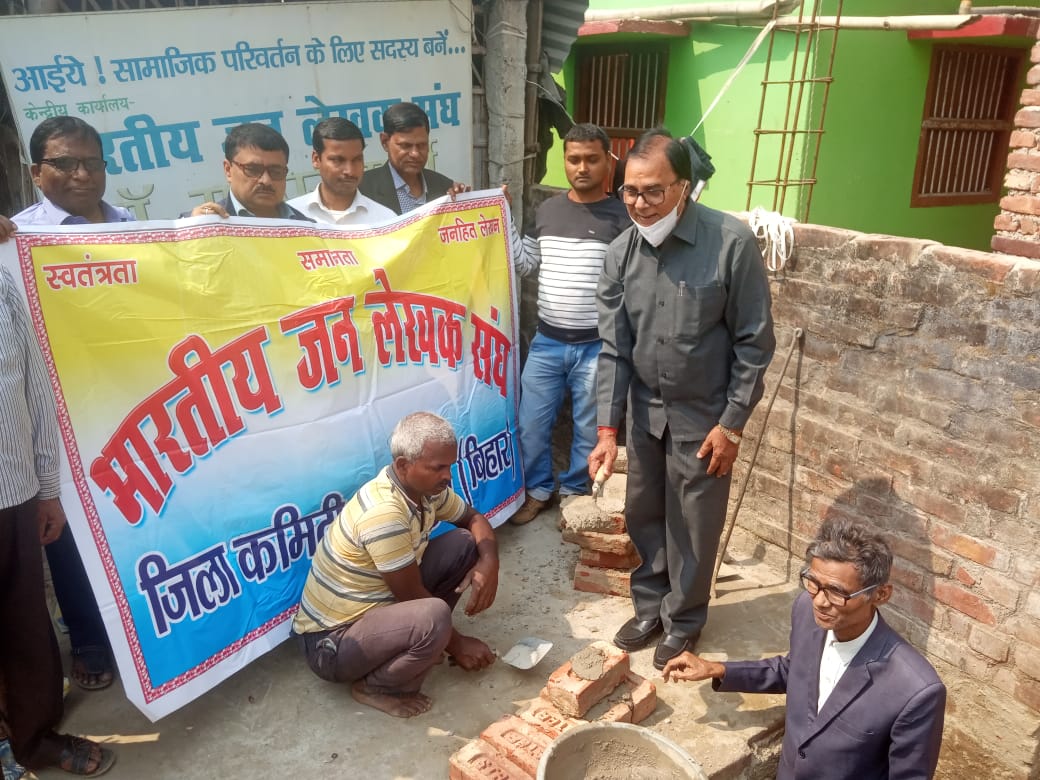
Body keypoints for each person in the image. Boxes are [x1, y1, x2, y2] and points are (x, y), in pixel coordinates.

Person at [588, 127, 775, 670]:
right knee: (643, 512)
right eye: (629, 192)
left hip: (704, 415)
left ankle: (685, 619)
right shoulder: (621, 253)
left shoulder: (729, 242)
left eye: (653, 191)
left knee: (694, 522)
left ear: (684, 187)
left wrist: (733, 423)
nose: (640, 204)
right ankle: (650, 606)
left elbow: (754, 341)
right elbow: (614, 349)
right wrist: (607, 431)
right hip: (646, 412)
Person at [663, 517, 947, 779]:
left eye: (837, 592)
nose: (820, 601)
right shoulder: (807, 612)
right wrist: (719, 669)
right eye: (813, 582)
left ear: (880, 595)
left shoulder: (915, 691)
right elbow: (794, 669)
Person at [10, 116, 126, 692]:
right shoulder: (15, 240)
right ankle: (87, 638)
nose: (82, 174)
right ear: (37, 172)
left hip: (132, 401)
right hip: (58, 415)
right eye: (65, 163)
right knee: (69, 532)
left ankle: (137, 627)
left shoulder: (134, 227)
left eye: (93, 162)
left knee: (134, 519)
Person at [292, 412, 499, 718]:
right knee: (433, 616)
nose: (448, 476)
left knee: (465, 543)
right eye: (438, 467)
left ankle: (421, 640)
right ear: (404, 466)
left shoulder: (426, 492)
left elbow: (474, 519)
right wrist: (457, 644)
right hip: (331, 644)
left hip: (376, 608)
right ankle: (375, 687)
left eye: (450, 466)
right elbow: (411, 594)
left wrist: (489, 563)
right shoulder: (384, 513)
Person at [0, 263, 116, 776]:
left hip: (12, 492)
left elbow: (35, 393)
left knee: (24, 622)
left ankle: (33, 736)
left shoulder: (1, 287)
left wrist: (48, 490)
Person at [508, 123, 629, 526]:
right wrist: (501, 220)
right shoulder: (547, 211)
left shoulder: (622, 217)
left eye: (592, 159)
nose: (582, 167)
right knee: (529, 425)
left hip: (597, 346)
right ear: (564, 160)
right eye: (573, 158)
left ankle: (574, 498)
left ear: (607, 161)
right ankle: (539, 490)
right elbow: (525, 264)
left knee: (587, 430)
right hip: (546, 342)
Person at [359, 102, 469, 214]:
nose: (415, 153)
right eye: (405, 146)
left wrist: (463, 202)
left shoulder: (444, 187)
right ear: (384, 142)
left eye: (421, 145)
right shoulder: (362, 191)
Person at [188, 123, 311, 220]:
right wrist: (193, 232)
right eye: (253, 170)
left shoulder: (309, 229)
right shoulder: (201, 223)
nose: (266, 181)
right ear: (228, 170)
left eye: (276, 171)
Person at [287, 117, 397, 226]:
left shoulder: (385, 220)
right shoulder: (290, 218)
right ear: (316, 159)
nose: (349, 171)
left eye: (356, 160)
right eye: (338, 160)